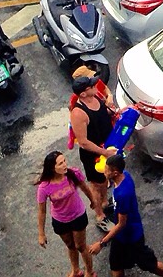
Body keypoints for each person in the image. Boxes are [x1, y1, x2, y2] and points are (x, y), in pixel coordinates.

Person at [87, 154, 163, 277]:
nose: (104, 172)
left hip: (131, 236)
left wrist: (101, 243)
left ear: (115, 173)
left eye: (106, 170)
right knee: (115, 264)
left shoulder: (123, 194)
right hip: (121, 237)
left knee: (149, 264)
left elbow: (122, 224)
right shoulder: (125, 175)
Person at [36, 149, 102, 277]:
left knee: (81, 246)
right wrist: (41, 234)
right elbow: (42, 211)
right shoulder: (44, 187)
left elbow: (84, 187)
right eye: (60, 163)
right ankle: (76, 270)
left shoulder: (72, 174)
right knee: (71, 246)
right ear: (52, 168)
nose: (65, 165)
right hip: (60, 220)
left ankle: (90, 271)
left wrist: (92, 201)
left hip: (78, 216)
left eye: (64, 161)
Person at [69, 74, 117, 226]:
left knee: (106, 179)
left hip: (107, 147)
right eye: (91, 86)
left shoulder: (95, 98)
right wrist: (104, 152)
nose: (96, 86)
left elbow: (103, 114)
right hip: (94, 155)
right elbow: (83, 142)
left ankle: (104, 201)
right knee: (97, 184)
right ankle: (99, 214)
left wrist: (116, 113)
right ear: (83, 93)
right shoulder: (78, 113)